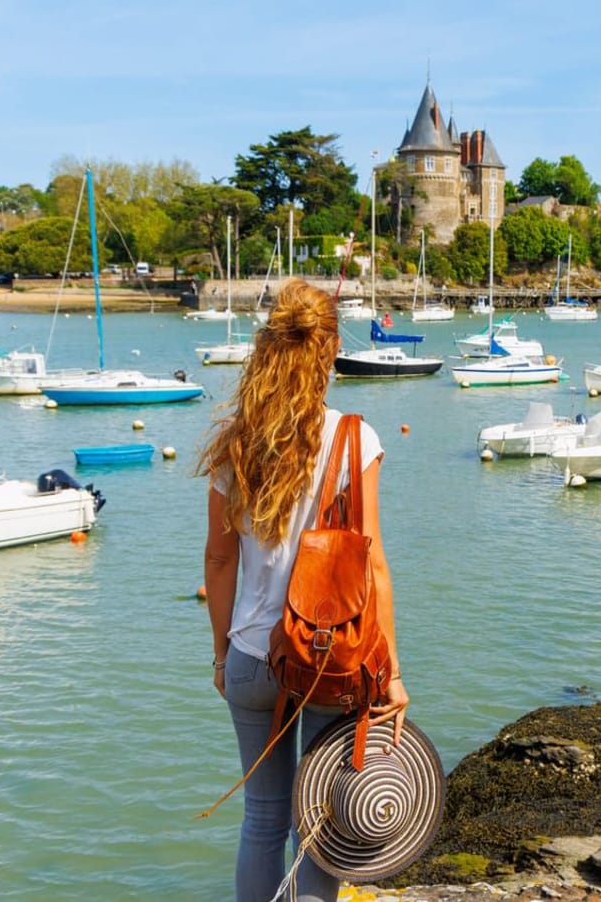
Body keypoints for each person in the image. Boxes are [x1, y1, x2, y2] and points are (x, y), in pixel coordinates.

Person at [198, 278, 408, 902]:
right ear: (332, 349)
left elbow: (219, 559)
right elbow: (371, 563)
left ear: (267, 345)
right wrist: (392, 673)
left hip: (251, 656)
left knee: (262, 820)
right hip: (328, 656)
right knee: (316, 825)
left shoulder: (237, 442)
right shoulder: (354, 438)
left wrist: (221, 655)